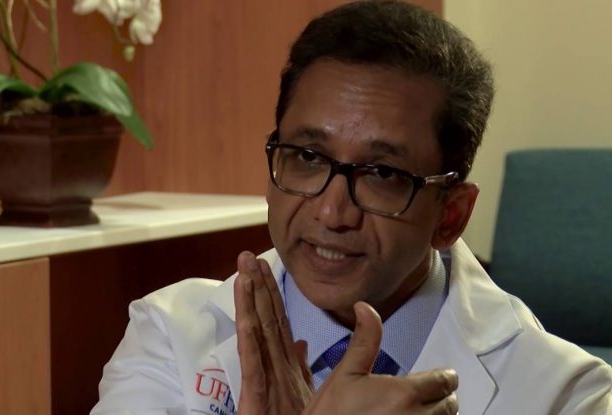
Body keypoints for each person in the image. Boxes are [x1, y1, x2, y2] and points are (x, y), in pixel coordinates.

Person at [90, 1, 612, 414]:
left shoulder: (566, 394)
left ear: (450, 216)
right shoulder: (169, 335)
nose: (332, 213)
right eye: (308, 157)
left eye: (382, 174)